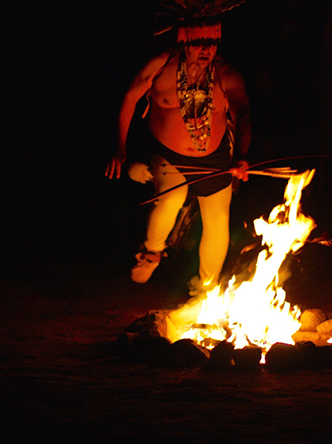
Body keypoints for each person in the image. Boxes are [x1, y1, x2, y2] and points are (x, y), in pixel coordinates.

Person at [106, 17, 251, 288]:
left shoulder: (226, 74)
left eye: (212, 43)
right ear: (185, 41)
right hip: (168, 154)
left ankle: (205, 289)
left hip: (215, 158)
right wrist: (120, 147)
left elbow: (243, 115)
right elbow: (129, 98)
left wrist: (241, 155)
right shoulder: (161, 66)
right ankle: (151, 254)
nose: (206, 50)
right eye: (198, 44)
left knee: (218, 219)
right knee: (172, 196)